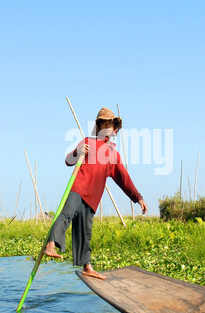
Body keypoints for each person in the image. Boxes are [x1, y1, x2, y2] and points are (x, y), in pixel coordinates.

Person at [44, 107, 148, 280]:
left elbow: (124, 179)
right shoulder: (88, 142)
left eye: (111, 125)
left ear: (115, 130)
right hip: (78, 188)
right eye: (104, 124)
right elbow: (68, 160)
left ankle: (87, 267)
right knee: (66, 214)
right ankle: (50, 245)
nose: (108, 128)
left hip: (93, 197)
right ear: (99, 127)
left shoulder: (114, 155)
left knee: (85, 231)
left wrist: (138, 197)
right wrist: (78, 152)